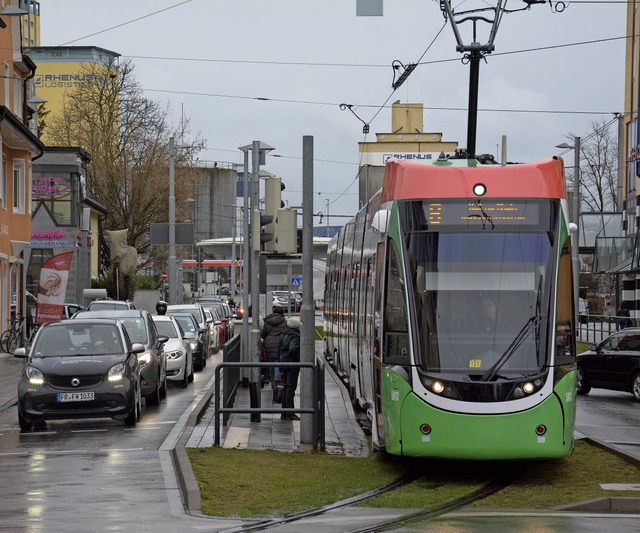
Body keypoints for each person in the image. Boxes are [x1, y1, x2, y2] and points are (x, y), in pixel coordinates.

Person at [278, 317, 301, 420]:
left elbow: (279, 349)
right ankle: (290, 413)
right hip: (292, 364)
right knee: (291, 388)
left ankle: (284, 412)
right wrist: (298, 360)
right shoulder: (295, 336)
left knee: (286, 387)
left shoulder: (284, 333)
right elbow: (293, 349)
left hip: (284, 362)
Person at [260, 305, 286, 384]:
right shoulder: (285, 322)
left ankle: (273, 381)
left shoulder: (268, 321)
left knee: (271, 363)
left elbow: (263, 334)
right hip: (281, 345)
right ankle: (278, 380)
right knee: (279, 362)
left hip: (269, 345)